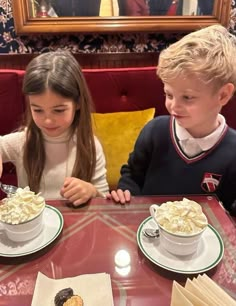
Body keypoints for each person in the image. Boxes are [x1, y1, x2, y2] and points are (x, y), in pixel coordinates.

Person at [107, 24, 236, 216]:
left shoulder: (233, 151)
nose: (173, 106)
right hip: (146, 228)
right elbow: (132, 175)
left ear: (223, 95)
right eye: (168, 94)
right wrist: (127, 196)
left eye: (187, 97)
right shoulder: (154, 130)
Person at [0, 51, 109, 206]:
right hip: (33, 227)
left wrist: (91, 191)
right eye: (38, 110)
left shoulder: (90, 145)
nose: (48, 120)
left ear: (77, 103)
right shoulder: (23, 141)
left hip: (76, 224)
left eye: (58, 110)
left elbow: (104, 196)